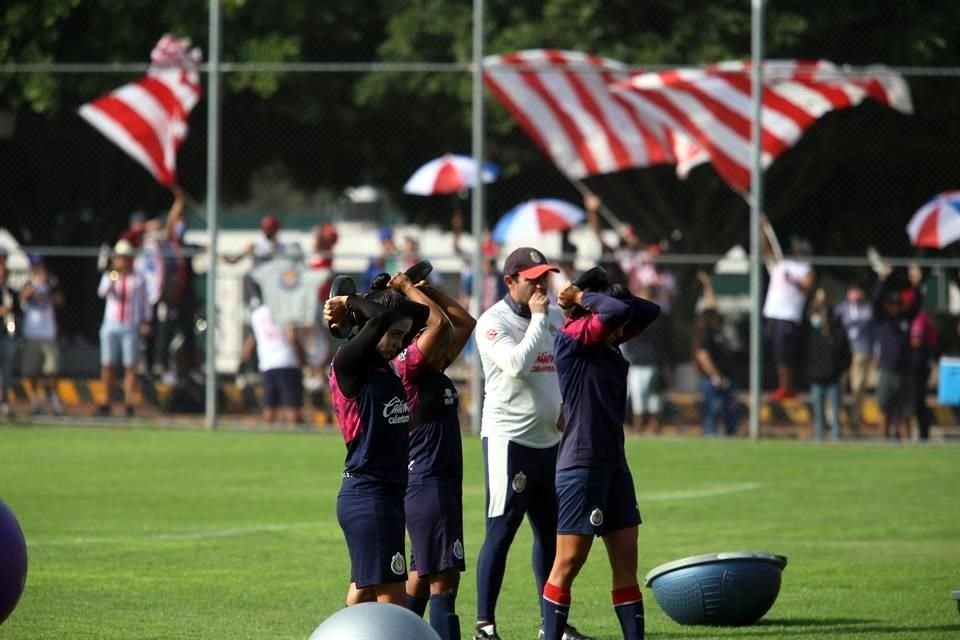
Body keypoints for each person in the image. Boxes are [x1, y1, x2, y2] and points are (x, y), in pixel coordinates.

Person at [472, 247, 591, 640]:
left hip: (551, 443)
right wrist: (540, 320)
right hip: (510, 441)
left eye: (545, 277)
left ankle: (552, 624)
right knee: (501, 532)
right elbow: (517, 366)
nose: (541, 285)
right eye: (532, 279)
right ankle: (484, 625)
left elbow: (568, 366)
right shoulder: (493, 322)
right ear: (510, 282)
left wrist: (567, 406)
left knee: (551, 534)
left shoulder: (554, 318)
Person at [541, 272, 659, 640]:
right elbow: (614, 311)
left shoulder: (608, 341)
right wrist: (582, 296)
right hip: (582, 463)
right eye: (616, 324)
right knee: (569, 561)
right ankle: (552, 634)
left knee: (626, 559)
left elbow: (648, 310)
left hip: (614, 464)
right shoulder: (573, 339)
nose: (623, 330)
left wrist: (588, 293)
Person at [374, 271, 475, 640]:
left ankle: (401, 636)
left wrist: (427, 289)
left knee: (419, 580)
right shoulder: (410, 367)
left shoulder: (432, 367)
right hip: (429, 484)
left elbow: (465, 322)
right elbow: (441, 323)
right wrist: (405, 288)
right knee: (444, 583)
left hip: (435, 485)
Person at [323, 284, 428, 606]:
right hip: (369, 495)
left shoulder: (383, 365)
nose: (400, 345)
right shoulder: (350, 363)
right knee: (393, 603)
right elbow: (381, 317)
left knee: (363, 594)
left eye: (402, 337)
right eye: (394, 336)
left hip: (386, 495)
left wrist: (394, 289)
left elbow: (421, 314)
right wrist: (350, 302)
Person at [95, 240, 152, 418]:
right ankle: (106, 402)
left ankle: (129, 404)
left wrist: (146, 321)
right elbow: (102, 293)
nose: (123, 261)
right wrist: (113, 275)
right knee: (108, 365)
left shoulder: (139, 278)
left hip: (130, 324)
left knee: (130, 366)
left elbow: (145, 302)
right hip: (111, 324)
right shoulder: (110, 276)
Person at [761, 223, 815, 400]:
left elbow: (807, 287)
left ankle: (787, 387)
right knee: (775, 352)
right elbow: (766, 250)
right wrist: (763, 229)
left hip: (788, 316)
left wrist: (793, 281)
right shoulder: (781, 264)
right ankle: (777, 385)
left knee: (785, 353)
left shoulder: (806, 269)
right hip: (773, 314)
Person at [871, 265, 922, 440]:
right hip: (887, 370)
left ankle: (906, 443)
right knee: (884, 409)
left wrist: (916, 285)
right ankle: (884, 441)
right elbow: (875, 300)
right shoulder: (882, 320)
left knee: (905, 411)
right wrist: (882, 279)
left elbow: (917, 304)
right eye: (891, 304)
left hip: (905, 370)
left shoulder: (906, 318)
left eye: (897, 304)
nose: (894, 307)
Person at [243, 302, 306, 425]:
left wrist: (244, 360)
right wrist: (303, 356)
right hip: (288, 362)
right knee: (292, 409)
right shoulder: (286, 309)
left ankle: (267, 440)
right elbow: (291, 336)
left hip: (267, 365)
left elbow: (250, 342)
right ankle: (293, 440)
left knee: (268, 409)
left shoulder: (256, 314)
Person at [693, 271, 739, 437]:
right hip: (712, 379)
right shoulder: (705, 333)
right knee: (712, 410)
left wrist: (708, 286)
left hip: (725, 376)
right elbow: (703, 356)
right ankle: (710, 436)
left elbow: (712, 304)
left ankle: (729, 436)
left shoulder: (715, 331)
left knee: (729, 411)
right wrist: (716, 375)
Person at [620, 283, 670, 433]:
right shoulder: (636, 315)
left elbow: (667, 344)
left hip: (652, 362)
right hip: (639, 362)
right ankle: (641, 428)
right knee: (641, 399)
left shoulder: (658, 317)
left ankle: (651, 428)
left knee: (652, 400)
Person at [19, 254, 65, 416]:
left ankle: (54, 398)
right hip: (31, 332)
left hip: (48, 332)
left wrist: (47, 286)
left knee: (52, 369)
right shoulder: (27, 281)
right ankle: (35, 400)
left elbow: (60, 301)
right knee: (31, 370)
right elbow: (21, 299)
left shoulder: (51, 281)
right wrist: (34, 286)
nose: (36, 267)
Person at [805, 296, 851, 441]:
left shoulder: (838, 334)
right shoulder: (812, 334)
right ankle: (819, 438)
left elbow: (846, 356)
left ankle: (836, 438)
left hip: (833, 381)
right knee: (818, 417)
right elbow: (806, 356)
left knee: (835, 415)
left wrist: (839, 372)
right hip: (817, 381)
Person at [833, 283, 874, 433]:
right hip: (843, 351)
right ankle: (834, 418)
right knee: (839, 384)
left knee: (858, 386)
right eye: (853, 292)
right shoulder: (841, 309)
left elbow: (873, 330)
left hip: (862, 350)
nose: (856, 295)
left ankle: (855, 420)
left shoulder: (868, 308)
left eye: (858, 292)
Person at [906, 269, 939, 441]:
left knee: (918, 400)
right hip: (912, 363)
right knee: (912, 401)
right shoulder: (917, 317)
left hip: (919, 364)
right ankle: (912, 432)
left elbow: (921, 342)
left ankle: (923, 433)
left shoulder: (923, 319)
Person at [0, 249, 18, 419]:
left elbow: (18, 311)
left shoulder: (10, 291)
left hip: (7, 335)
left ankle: (4, 403)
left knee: (6, 373)